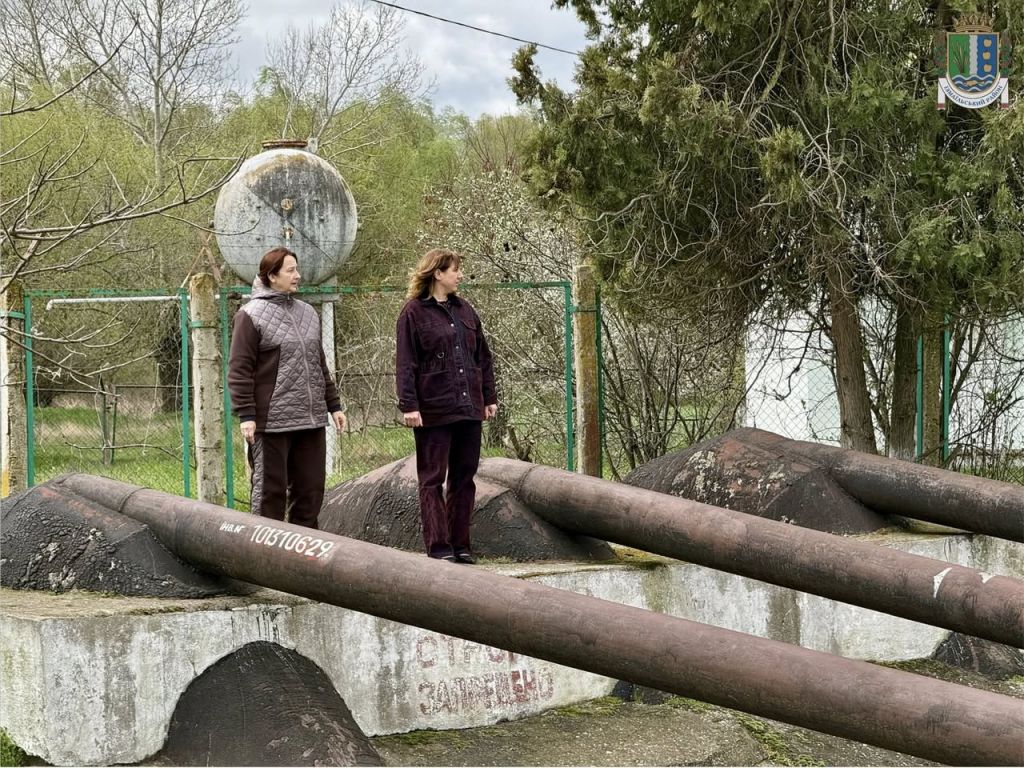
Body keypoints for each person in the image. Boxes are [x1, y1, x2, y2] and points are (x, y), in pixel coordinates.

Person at [227, 246, 346, 529]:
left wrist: (334, 405)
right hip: (271, 422)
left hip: (311, 419)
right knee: (270, 494)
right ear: (271, 276)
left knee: (310, 492)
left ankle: (303, 561)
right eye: (290, 271)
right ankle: (262, 562)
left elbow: (319, 363)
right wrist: (246, 415)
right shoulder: (250, 315)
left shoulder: (307, 312)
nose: (298, 275)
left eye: (296, 269)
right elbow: (239, 370)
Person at [396, 248, 498, 564]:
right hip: (434, 410)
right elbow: (406, 362)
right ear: (438, 273)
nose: (460, 275)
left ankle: (461, 545)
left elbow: (483, 356)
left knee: (464, 479)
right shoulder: (412, 313)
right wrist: (409, 405)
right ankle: (439, 548)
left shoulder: (466, 311)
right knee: (432, 479)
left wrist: (488, 397)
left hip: (469, 408)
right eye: (455, 270)